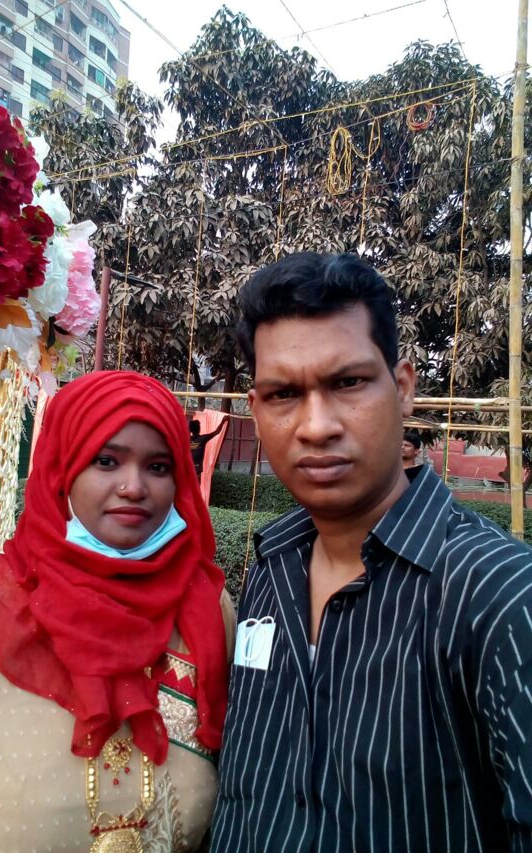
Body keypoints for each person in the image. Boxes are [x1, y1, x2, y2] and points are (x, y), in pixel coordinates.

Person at [211, 251, 532, 852]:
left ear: (403, 388)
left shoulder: (499, 596)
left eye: (348, 383)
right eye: (283, 394)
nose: (316, 426)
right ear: (256, 408)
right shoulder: (272, 569)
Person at [0, 370, 235, 852]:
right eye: (106, 460)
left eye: (158, 467)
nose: (133, 486)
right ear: (62, 468)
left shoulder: (207, 611)